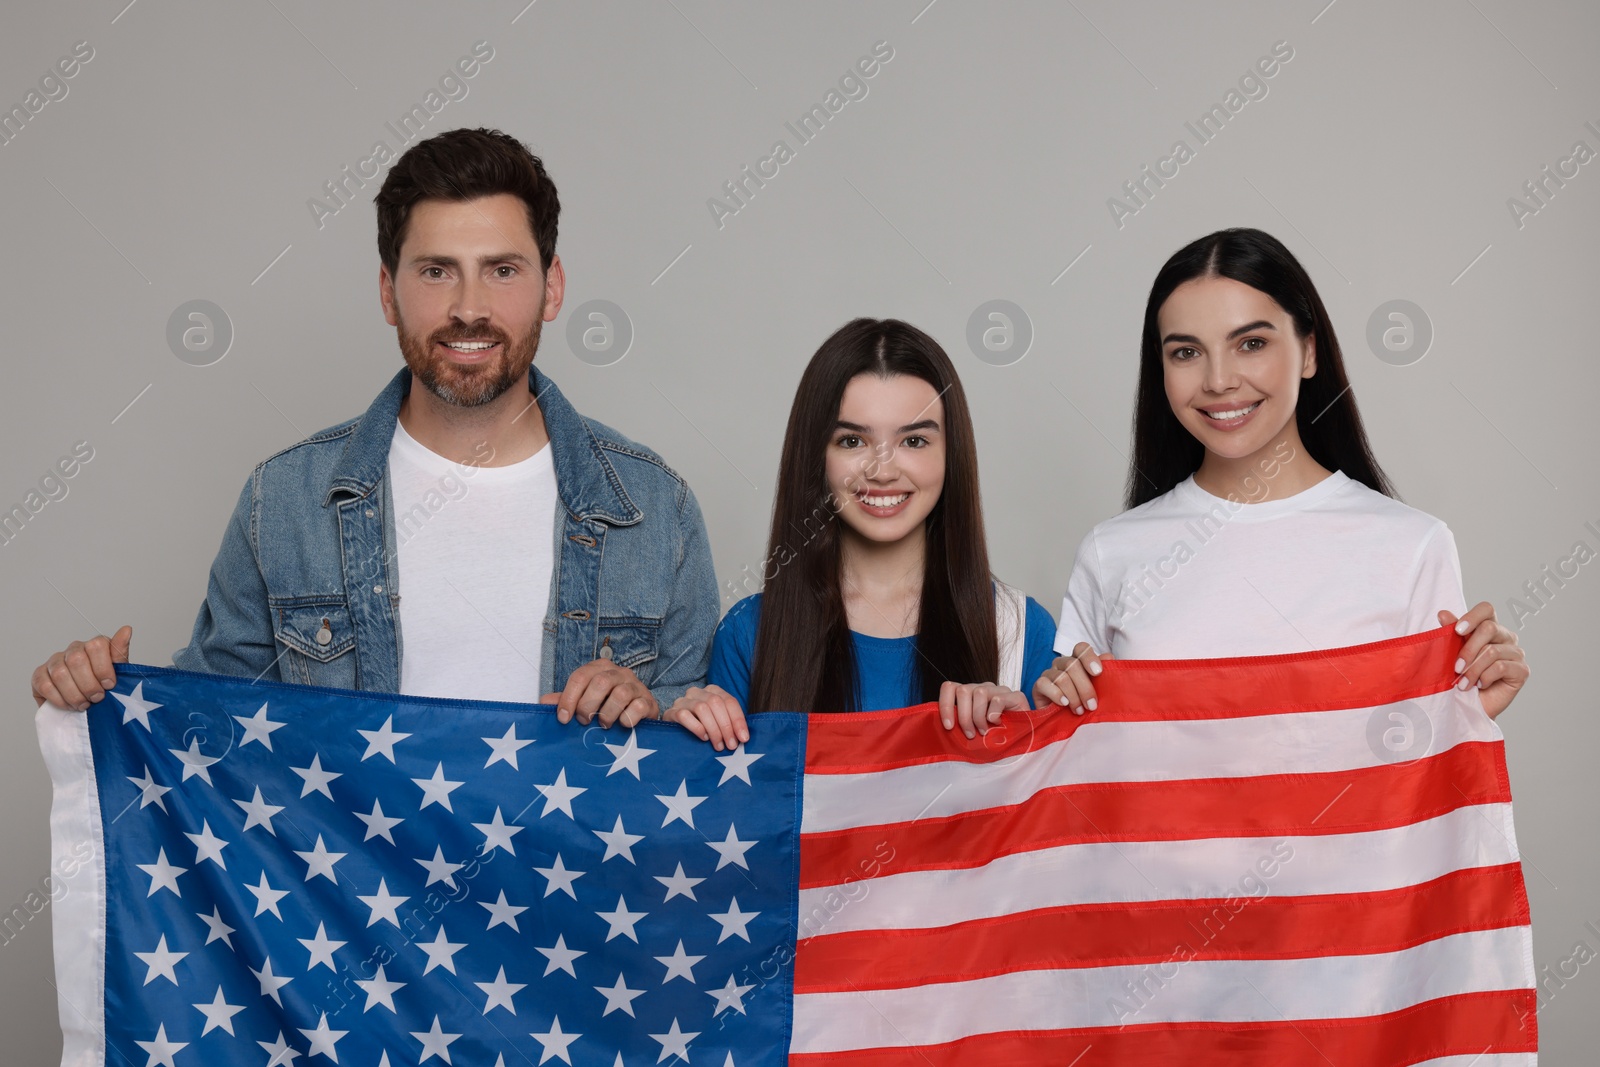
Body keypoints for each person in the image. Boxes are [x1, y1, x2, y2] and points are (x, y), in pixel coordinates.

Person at [30, 127, 718, 726]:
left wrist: (653, 713)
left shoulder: (655, 508)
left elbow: (702, 759)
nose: (469, 307)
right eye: (436, 270)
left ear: (553, 286)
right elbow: (213, 735)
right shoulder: (285, 500)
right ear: (389, 291)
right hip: (346, 884)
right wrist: (98, 705)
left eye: (502, 270)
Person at [1034, 227, 1528, 716]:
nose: (1219, 380)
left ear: (1309, 351)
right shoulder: (1111, 553)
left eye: (1250, 344)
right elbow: (1087, 770)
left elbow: (1413, 767)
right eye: (1186, 352)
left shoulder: (1412, 547)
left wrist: (1469, 715)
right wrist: (1046, 716)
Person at [664, 318, 1058, 749]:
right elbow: (733, 809)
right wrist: (677, 736)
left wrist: (1027, 741)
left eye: (914, 441)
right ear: (817, 456)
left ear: (952, 456)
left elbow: (1056, 808)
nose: (883, 471)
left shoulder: (1021, 630)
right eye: (852, 442)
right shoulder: (749, 633)